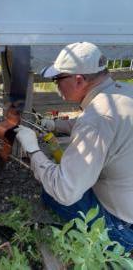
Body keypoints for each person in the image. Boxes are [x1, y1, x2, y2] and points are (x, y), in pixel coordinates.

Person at [15, 42, 133, 252]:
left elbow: (65, 191)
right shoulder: (123, 92)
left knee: (52, 192)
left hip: (124, 228)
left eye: (57, 79)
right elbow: (103, 126)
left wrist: (33, 150)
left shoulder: (97, 118)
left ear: (78, 80)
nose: (55, 85)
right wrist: (54, 124)